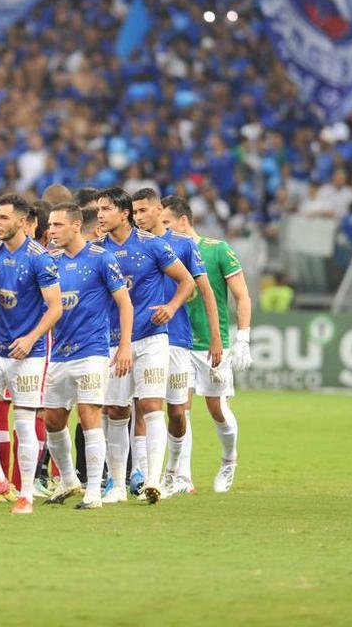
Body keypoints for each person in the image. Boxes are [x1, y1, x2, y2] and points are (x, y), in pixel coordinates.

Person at [94, 187, 194, 505]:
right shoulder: (97, 251)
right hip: (113, 341)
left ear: (124, 214)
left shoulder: (153, 245)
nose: (99, 215)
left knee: (152, 406)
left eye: (106, 209)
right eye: (99, 209)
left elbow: (187, 281)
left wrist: (172, 306)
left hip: (152, 338)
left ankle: (152, 480)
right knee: (116, 409)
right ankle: (118, 486)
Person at [0, 194, 62, 514]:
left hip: (30, 352)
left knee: (24, 423)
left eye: (4, 218)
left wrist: (31, 337)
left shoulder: (40, 258)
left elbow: (55, 307)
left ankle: (25, 493)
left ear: (22, 222)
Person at [41, 203, 133, 509]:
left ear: (76, 226)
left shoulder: (101, 258)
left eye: (57, 225)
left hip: (92, 351)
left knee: (89, 415)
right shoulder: (50, 261)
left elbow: (125, 303)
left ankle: (94, 491)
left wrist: (124, 346)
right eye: (50, 225)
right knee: (52, 420)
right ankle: (69, 479)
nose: (51, 231)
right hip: (59, 352)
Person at [131, 189, 219, 500]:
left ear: (157, 211)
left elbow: (204, 290)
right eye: (135, 212)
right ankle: (143, 476)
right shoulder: (132, 244)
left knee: (177, 410)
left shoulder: (183, 245)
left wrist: (216, 337)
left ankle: (176, 471)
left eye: (144, 211)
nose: (138, 218)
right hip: (141, 335)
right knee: (141, 405)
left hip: (179, 337)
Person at [161, 196, 252, 494]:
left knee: (217, 409)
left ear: (183, 221)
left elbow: (242, 296)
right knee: (179, 409)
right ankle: (183, 477)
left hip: (212, 343)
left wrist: (242, 339)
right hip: (179, 343)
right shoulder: (162, 251)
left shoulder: (218, 250)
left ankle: (229, 460)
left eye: (167, 223)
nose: (163, 229)